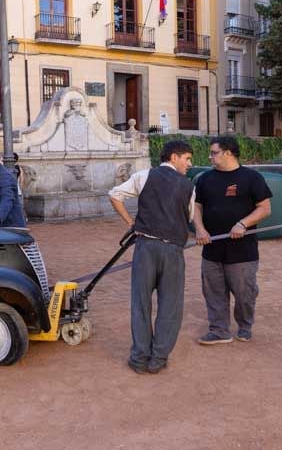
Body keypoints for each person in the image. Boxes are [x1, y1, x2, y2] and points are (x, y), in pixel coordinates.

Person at [109, 140, 196, 374]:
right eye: (187, 158)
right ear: (174, 157)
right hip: (173, 251)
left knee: (141, 303)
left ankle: (139, 357)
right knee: (170, 305)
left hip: (145, 246)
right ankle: (158, 358)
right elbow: (188, 217)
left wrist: (131, 222)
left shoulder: (144, 176)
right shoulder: (188, 186)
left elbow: (115, 195)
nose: (189, 163)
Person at [191, 135, 272, 344]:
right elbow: (197, 207)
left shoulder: (251, 178)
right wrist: (199, 229)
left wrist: (243, 224)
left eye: (214, 152)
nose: (210, 156)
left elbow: (264, 208)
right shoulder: (205, 179)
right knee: (213, 291)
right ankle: (219, 330)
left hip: (242, 250)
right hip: (211, 247)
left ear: (228, 153)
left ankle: (245, 325)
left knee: (245, 293)